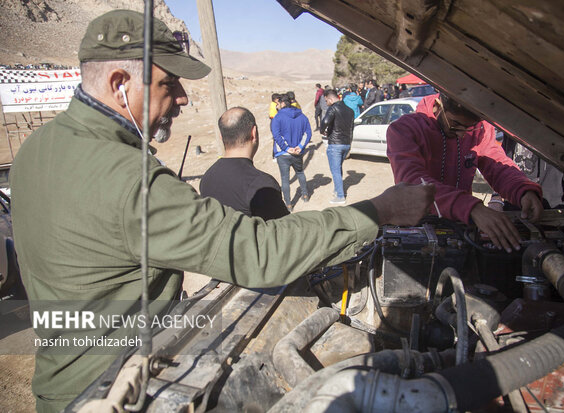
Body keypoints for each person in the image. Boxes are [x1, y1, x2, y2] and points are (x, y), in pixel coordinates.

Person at [8, 10, 436, 412]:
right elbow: (258, 253)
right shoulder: (126, 178)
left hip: (62, 381)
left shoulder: (37, 148)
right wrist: (378, 209)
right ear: (120, 82)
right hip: (114, 388)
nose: (182, 99)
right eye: (169, 83)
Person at [387, 92, 543, 252]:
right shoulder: (404, 130)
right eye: (455, 124)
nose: (462, 134)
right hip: (418, 227)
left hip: (462, 226)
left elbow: (496, 164)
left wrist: (522, 190)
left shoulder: (480, 129)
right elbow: (413, 182)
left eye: (470, 128)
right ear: (438, 105)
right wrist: (472, 208)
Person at [200, 107, 290, 220]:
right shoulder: (262, 185)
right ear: (254, 133)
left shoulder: (207, 178)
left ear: (221, 137)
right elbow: (285, 230)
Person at [271, 95, 312, 210]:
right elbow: (308, 133)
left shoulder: (277, 118)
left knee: (285, 179)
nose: (277, 106)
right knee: (300, 173)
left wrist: (286, 148)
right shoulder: (302, 116)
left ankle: (289, 204)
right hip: (297, 152)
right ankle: (305, 195)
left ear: (283, 103)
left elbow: (276, 135)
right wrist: (300, 146)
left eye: (278, 104)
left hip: (283, 154)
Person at [321, 89, 355, 204]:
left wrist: (322, 130)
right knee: (338, 168)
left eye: (326, 101)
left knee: (335, 170)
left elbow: (325, 121)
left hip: (335, 144)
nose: (326, 103)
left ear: (330, 99)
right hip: (346, 144)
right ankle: (337, 190)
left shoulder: (333, 108)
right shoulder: (350, 110)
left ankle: (340, 196)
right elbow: (351, 128)